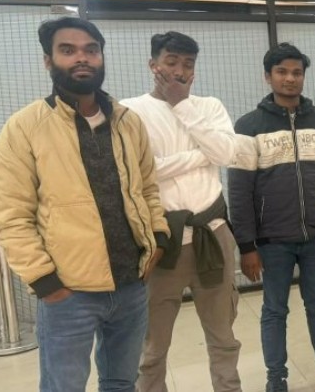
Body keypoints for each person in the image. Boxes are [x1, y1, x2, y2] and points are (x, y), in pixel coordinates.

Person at [0, 17, 169, 391]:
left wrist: (158, 236)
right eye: (68, 50)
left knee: (122, 383)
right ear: (48, 60)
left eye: (91, 50)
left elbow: (149, 188)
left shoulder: (127, 122)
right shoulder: (24, 127)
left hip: (131, 285)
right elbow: (10, 215)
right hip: (68, 292)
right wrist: (45, 282)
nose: (82, 58)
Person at [228, 43, 315, 392]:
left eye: (297, 72)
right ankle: (277, 378)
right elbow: (239, 192)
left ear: (303, 76)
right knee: (274, 310)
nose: (290, 79)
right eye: (282, 72)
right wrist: (247, 246)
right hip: (272, 241)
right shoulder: (249, 126)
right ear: (268, 76)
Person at [121, 31, 242, 392]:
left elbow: (226, 154)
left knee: (223, 335)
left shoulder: (209, 106)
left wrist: (182, 105)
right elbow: (139, 171)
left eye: (187, 64)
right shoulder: (130, 111)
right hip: (160, 240)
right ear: (153, 64)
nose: (179, 71)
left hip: (212, 233)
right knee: (152, 344)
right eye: (171, 62)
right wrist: (201, 156)